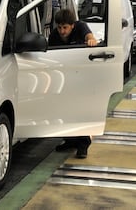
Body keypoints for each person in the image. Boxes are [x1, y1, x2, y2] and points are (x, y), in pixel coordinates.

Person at [48, 9, 97, 158]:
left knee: (80, 111)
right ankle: (70, 140)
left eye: (65, 27)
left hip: (81, 77)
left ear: (72, 25)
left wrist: (91, 40)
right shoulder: (54, 36)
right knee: (65, 111)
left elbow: (89, 36)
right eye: (59, 27)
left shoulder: (81, 27)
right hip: (64, 77)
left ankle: (83, 144)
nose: (62, 31)